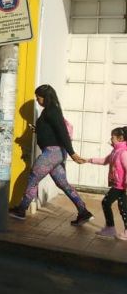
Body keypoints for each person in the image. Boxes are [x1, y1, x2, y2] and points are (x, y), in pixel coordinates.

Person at [9, 84, 93, 225]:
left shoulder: (52, 111)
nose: (37, 100)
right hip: (56, 154)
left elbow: (63, 133)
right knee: (63, 184)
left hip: (52, 154)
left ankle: (21, 210)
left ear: (45, 97)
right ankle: (84, 212)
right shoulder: (50, 111)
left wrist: (72, 153)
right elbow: (53, 132)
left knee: (33, 178)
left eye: (38, 97)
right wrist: (38, 130)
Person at [77, 127, 127, 240]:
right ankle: (114, 229)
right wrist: (88, 160)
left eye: (112, 137)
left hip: (121, 186)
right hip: (118, 185)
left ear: (120, 138)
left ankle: (110, 228)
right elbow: (105, 161)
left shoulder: (123, 152)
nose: (111, 139)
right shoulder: (116, 151)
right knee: (123, 207)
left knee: (106, 202)